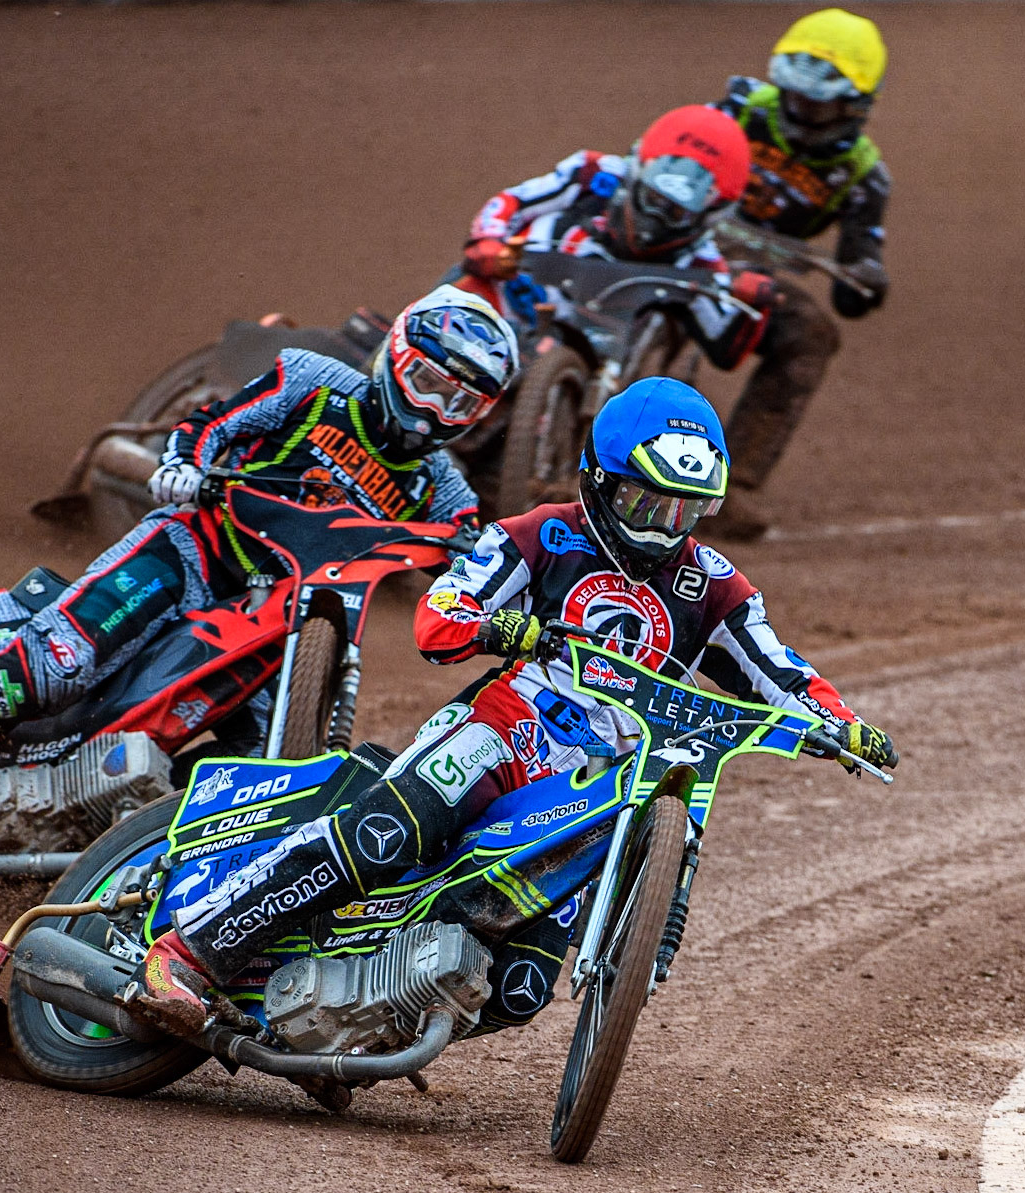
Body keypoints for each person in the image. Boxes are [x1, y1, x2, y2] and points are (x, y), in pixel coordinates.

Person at [129, 376, 898, 1037]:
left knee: (522, 986)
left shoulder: (716, 585)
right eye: (646, 501)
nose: (663, 527)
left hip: (603, 784)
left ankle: (365, 1028)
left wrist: (839, 724)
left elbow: (780, 670)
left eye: (683, 510)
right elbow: (439, 613)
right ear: (599, 477)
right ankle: (189, 952)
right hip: (507, 730)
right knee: (388, 828)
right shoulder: (539, 535)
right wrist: (493, 622)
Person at [0, 286, 520, 835]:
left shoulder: (442, 487)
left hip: (280, 622)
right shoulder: (315, 381)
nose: (437, 410)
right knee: (61, 662)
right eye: (430, 381)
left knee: (260, 776)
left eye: (463, 401)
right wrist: (183, 465)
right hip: (191, 550)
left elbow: (477, 559)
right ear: (399, 355)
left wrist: (513, 604)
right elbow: (213, 424)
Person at [707, 7, 893, 538]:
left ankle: (733, 483)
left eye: (817, 102)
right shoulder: (738, 110)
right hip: (672, 251)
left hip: (752, 279)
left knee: (812, 332)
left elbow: (855, 285)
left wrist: (865, 277)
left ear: (856, 106)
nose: (801, 109)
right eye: (793, 95)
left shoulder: (863, 176)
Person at [457, 105, 779, 377]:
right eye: (653, 197)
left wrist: (754, 302)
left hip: (594, 356)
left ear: (710, 214)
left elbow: (725, 346)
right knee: (459, 293)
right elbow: (515, 201)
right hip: (514, 300)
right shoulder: (593, 174)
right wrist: (488, 239)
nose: (656, 218)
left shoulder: (699, 260)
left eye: (677, 212)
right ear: (638, 172)